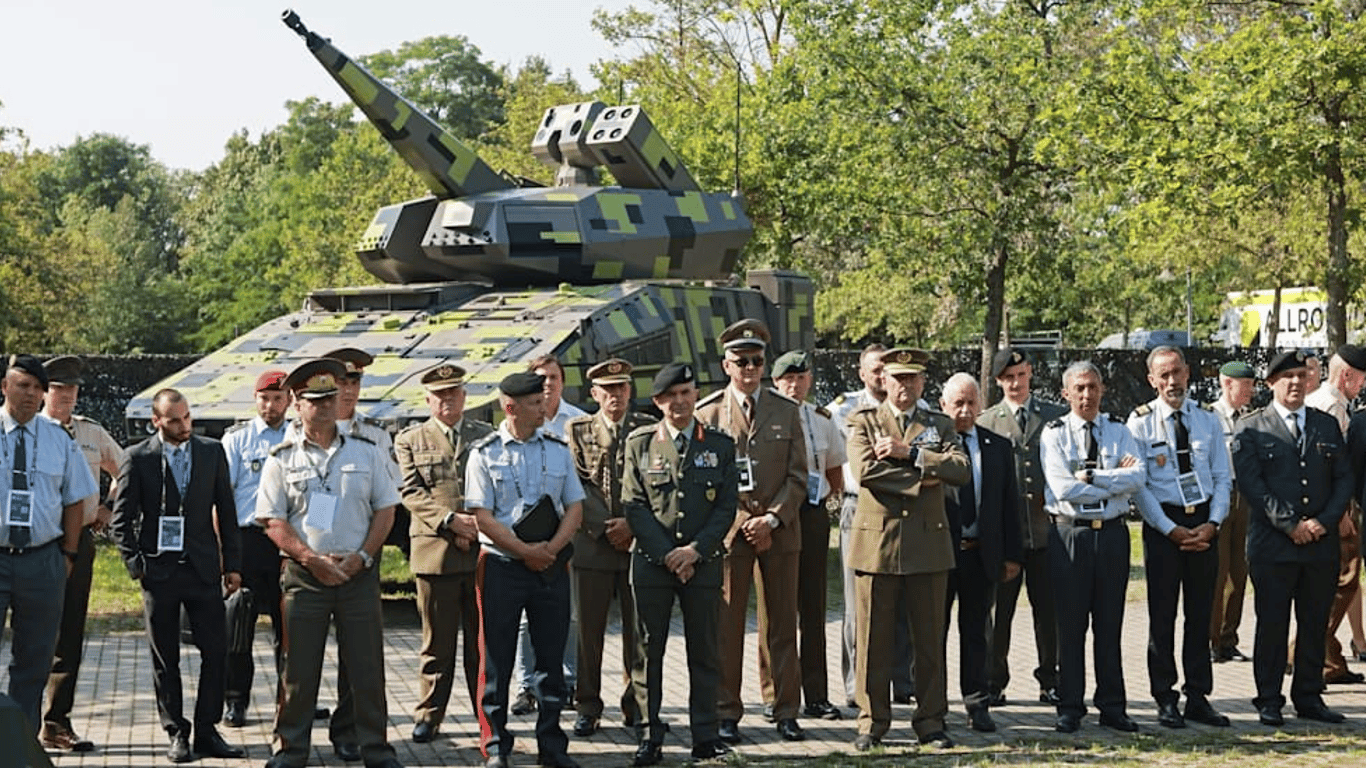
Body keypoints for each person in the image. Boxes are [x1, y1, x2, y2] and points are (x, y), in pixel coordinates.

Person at [256, 359, 404, 768]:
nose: (323, 406)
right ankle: (291, 749)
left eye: (329, 398)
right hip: (305, 578)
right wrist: (310, 558)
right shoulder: (281, 458)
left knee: (366, 670)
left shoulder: (368, 451)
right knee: (299, 672)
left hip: (358, 574)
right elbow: (273, 520)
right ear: (296, 405)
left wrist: (363, 557)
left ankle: (375, 747)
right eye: (313, 400)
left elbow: (386, 511)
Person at [111, 389, 244, 763]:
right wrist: (137, 565)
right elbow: (121, 521)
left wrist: (232, 565)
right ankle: (176, 732)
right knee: (165, 658)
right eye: (174, 420)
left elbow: (227, 512)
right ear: (156, 421)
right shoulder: (138, 458)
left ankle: (207, 730)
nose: (184, 425)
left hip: (203, 569)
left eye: (187, 417)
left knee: (215, 652)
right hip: (160, 572)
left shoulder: (210, 451)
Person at [845, 347, 967, 751]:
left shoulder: (940, 424)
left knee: (929, 641)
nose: (905, 386)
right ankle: (871, 723)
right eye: (897, 378)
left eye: (913, 379)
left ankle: (931, 722)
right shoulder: (863, 421)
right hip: (876, 544)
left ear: (922, 383)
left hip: (928, 545)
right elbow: (866, 472)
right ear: (883, 380)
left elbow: (961, 470)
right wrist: (925, 478)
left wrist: (911, 454)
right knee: (873, 641)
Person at [695, 319, 809, 744]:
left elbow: (799, 476)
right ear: (726, 365)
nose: (749, 368)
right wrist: (745, 522)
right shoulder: (708, 413)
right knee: (726, 625)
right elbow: (705, 483)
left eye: (757, 361)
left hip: (780, 531)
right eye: (741, 361)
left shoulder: (787, 409)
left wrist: (772, 519)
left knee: (780, 624)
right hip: (729, 535)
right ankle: (726, 711)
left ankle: (784, 709)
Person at [466, 371, 585, 768]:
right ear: (511, 407)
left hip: (550, 564)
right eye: (535, 403)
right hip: (502, 565)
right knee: (497, 659)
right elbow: (482, 515)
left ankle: (552, 745)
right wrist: (522, 551)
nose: (543, 408)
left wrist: (549, 549)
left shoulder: (557, 448)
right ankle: (496, 746)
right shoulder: (483, 453)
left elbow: (575, 508)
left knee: (551, 659)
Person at [622, 362, 736, 767]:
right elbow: (633, 505)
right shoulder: (639, 444)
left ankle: (705, 735)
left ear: (695, 395)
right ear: (657, 402)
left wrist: (694, 552)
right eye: (670, 396)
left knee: (704, 651)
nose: (680, 402)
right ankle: (650, 734)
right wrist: (669, 555)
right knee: (647, 652)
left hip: (702, 563)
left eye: (686, 393)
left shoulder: (720, 445)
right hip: (653, 564)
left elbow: (726, 506)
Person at [1234, 350, 1352, 726]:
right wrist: (1290, 525)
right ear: (1271, 383)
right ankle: (1269, 698)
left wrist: (1322, 522)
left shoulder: (1324, 426)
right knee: (1272, 623)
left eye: (1302, 376)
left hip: (1320, 544)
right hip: (1274, 546)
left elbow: (1344, 479)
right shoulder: (1253, 427)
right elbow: (1253, 487)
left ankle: (1308, 695)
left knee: (1315, 622)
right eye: (1288, 377)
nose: (1296, 383)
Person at [1127, 347, 1233, 729]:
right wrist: (1169, 529)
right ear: (1152, 379)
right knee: (1163, 615)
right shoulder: (1139, 423)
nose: (1172, 382)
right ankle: (1164, 696)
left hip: (1204, 522)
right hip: (1163, 526)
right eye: (1164, 376)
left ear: (1187, 373)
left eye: (1177, 373)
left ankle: (1198, 696)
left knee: (1201, 614)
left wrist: (1214, 523)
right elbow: (1139, 486)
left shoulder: (1207, 420)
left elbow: (1223, 477)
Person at [1041, 361, 1145, 734]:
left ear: (1102, 390)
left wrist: (1094, 476)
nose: (1087, 395)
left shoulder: (1118, 431)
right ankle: (1070, 706)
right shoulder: (1053, 434)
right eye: (1079, 388)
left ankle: (1113, 707)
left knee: (1109, 624)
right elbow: (1063, 488)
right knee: (1070, 625)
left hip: (1112, 536)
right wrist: (1115, 481)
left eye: (1093, 387)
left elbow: (1139, 477)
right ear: (1066, 393)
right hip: (1071, 534)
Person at [396, 364, 493, 744]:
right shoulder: (410, 439)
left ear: (464, 397)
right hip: (435, 552)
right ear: (427, 400)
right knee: (436, 643)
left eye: (453, 393)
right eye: (439, 395)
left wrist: (477, 526)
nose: (447, 401)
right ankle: (429, 714)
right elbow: (411, 491)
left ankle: (485, 713)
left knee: (481, 642)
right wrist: (452, 521)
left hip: (482, 551)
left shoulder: (484, 436)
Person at [0, 355, 95, 735]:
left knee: (34, 661)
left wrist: (69, 555)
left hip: (42, 561)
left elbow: (75, 500)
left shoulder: (59, 439)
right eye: (22, 385)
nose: (31, 394)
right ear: (4, 387)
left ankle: (19, 744)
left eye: (38, 389)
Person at [565, 358, 656, 737]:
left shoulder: (647, 429)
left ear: (630, 390)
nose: (615, 395)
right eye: (608, 389)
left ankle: (636, 705)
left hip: (638, 545)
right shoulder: (578, 429)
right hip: (592, 545)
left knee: (640, 634)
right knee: (589, 633)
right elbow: (576, 484)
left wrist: (633, 526)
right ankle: (587, 704)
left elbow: (656, 483)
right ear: (594, 394)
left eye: (621, 388)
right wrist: (606, 527)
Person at [319, 346, 401, 759]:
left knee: (359, 655)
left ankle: (349, 730)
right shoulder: (304, 431)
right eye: (341, 382)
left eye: (355, 382)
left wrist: (364, 554)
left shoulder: (376, 435)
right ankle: (290, 732)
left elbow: (387, 501)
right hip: (313, 561)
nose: (349, 390)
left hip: (360, 557)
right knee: (298, 655)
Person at [39, 355, 122, 753]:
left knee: (68, 632)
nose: (67, 396)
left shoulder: (90, 432)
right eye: (59, 389)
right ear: (44, 392)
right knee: (28, 632)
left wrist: (107, 507)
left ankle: (55, 722)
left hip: (80, 540)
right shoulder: (28, 431)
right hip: (33, 541)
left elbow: (126, 469)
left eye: (72, 389)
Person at [826, 344, 914, 707]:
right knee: (858, 603)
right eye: (875, 369)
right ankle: (856, 685)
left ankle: (903, 683)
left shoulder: (915, 411)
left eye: (886, 369)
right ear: (862, 373)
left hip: (905, 511)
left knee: (905, 601)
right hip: (859, 508)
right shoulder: (843, 410)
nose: (881, 376)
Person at [760, 350, 846, 721]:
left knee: (813, 609)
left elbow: (835, 474)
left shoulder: (823, 419)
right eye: (787, 379)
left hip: (810, 515)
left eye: (801, 378)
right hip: (777, 513)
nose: (794, 385)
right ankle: (775, 694)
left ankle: (816, 695)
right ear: (776, 382)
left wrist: (823, 505)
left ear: (810, 380)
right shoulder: (767, 417)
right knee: (774, 609)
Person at [978, 347, 1066, 707]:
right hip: (1006, 535)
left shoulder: (1055, 416)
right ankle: (993, 681)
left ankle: (1051, 680)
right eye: (1008, 378)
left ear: (1030, 374)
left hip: (1046, 530)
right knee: (1000, 613)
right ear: (999, 381)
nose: (1016, 383)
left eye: (1021, 375)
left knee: (1050, 613)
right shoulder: (988, 421)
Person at [939, 372, 1022, 733]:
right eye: (957, 402)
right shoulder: (933, 445)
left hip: (980, 554)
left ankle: (977, 704)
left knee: (976, 634)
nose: (965, 410)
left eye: (971, 402)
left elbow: (1009, 504)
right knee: (932, 633)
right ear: (943, 406)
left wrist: (1011, 555)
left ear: (982, 404)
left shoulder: (997, 446)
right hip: (939, 554)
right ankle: (933, 707)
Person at [511, 354, 588, 717]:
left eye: (554, 377)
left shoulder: (578, 423)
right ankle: (527, 686)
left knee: (567, 614)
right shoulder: (519, 424)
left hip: (567, 535)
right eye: (540, 378)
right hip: (524, 540)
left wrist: (561, 540)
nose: (548, 384)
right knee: (526, 619)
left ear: (563, 380)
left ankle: (568, 681)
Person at [220, 369, 290, 728]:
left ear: (289, 400)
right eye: (264, 398)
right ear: (255, 399)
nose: (270, 405)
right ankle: (236, 701)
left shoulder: (303, 436)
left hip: (292, 543)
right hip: (247, 540)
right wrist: (224, 554)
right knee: (238, 626)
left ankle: (293, 698)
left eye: (278, 398)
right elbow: (222, 499)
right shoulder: (237, 440)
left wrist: (320, 538)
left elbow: (323, 494)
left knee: (292, 627)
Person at [1303, 345, 1366, 685]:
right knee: (1343, 582)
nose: (1363, 387)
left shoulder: (1324, 402)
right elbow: (1329, 468)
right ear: (1346, 375)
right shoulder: (1330, 406)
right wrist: (1339, 513)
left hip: (1324, 509)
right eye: (1361, 380)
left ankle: (1325, 658)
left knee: (1333, 584)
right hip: (1331, 511)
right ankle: (1311, 653)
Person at [1208, 361, 1256, 663]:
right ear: (1227, 384)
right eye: (1246, 384)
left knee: (1240, 572)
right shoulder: (1209, 417)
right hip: (1219, 495)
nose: (1251, 390)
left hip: (1246, 498)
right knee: (1217, 570)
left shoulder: (1250, 419)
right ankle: (1211, 640)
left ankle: (1229, 639)